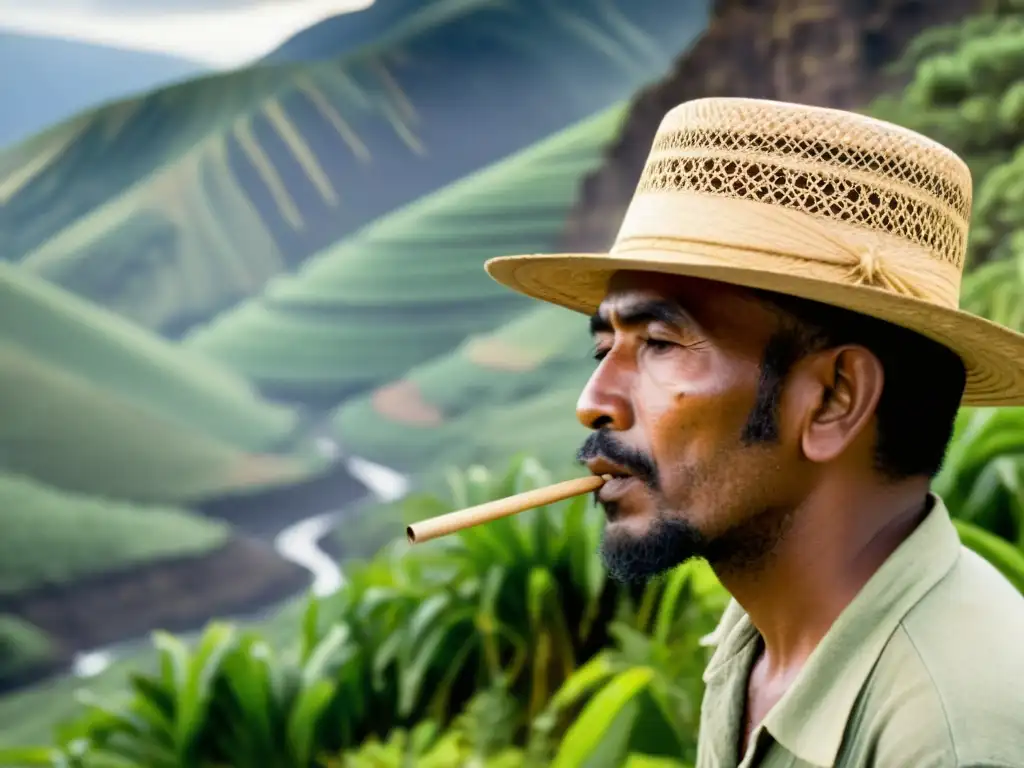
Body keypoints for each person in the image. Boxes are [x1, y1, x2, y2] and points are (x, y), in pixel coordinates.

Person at [483, 98, 1024, 767]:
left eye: (658, 343)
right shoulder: (758, 650)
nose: (593, 403)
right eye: (605, 349)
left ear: (833, 398)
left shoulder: (953, 737)